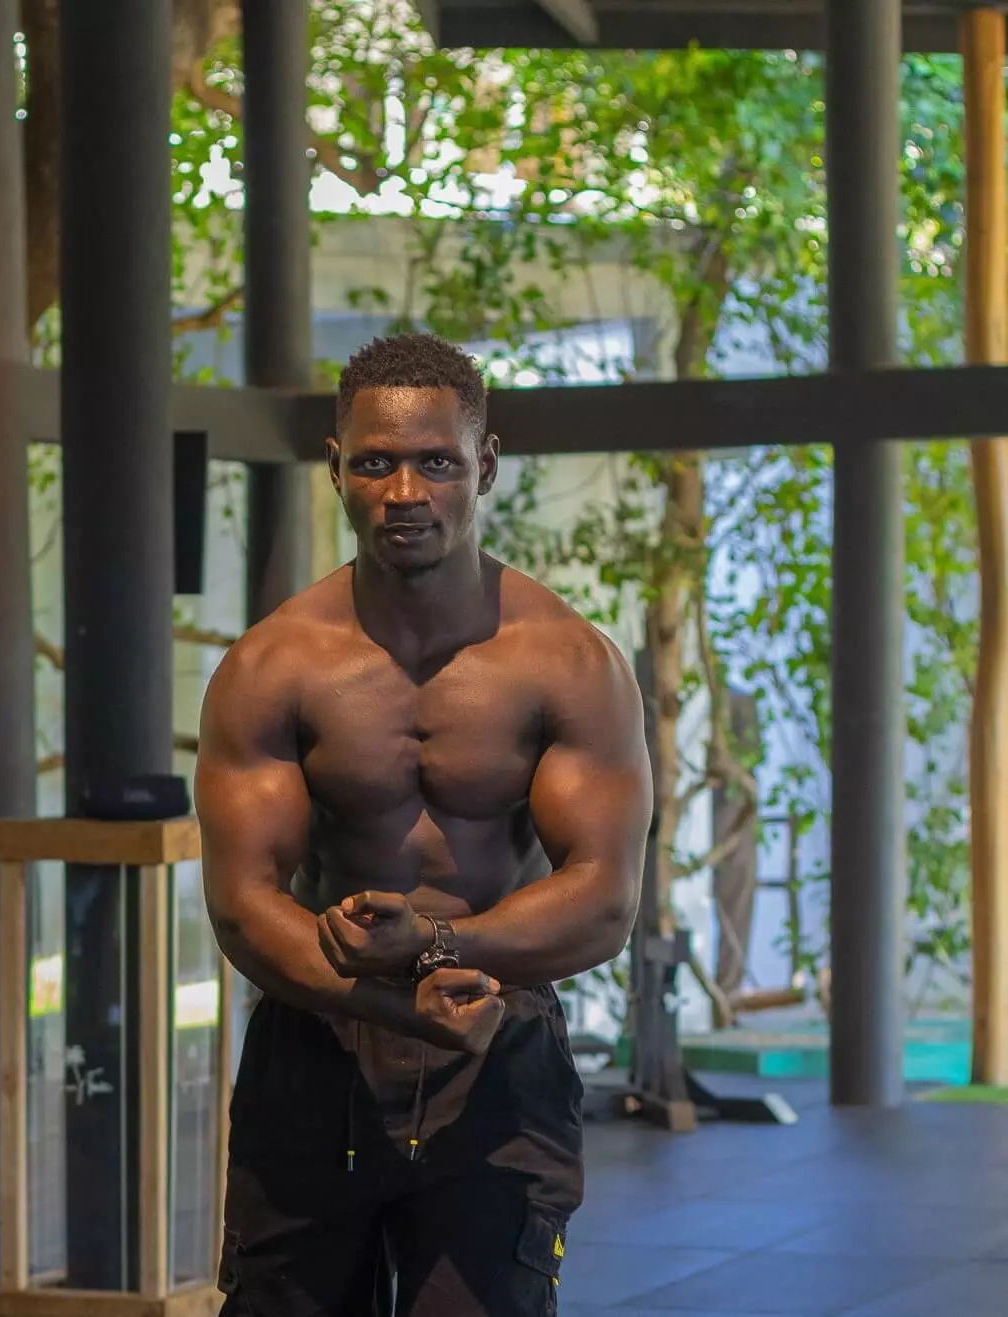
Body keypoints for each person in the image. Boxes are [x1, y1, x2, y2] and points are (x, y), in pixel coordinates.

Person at [195, 332, 653, 1316]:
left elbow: (606, 898)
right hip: (314, 1054)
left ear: (482, 467)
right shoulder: (273, 667)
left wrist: (444, 943)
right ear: (336, 470)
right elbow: (242, 905)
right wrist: (393, 1001)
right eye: (376, 462)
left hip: (499, 1054)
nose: (405, 490)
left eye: (436, 462)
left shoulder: (569, 662)